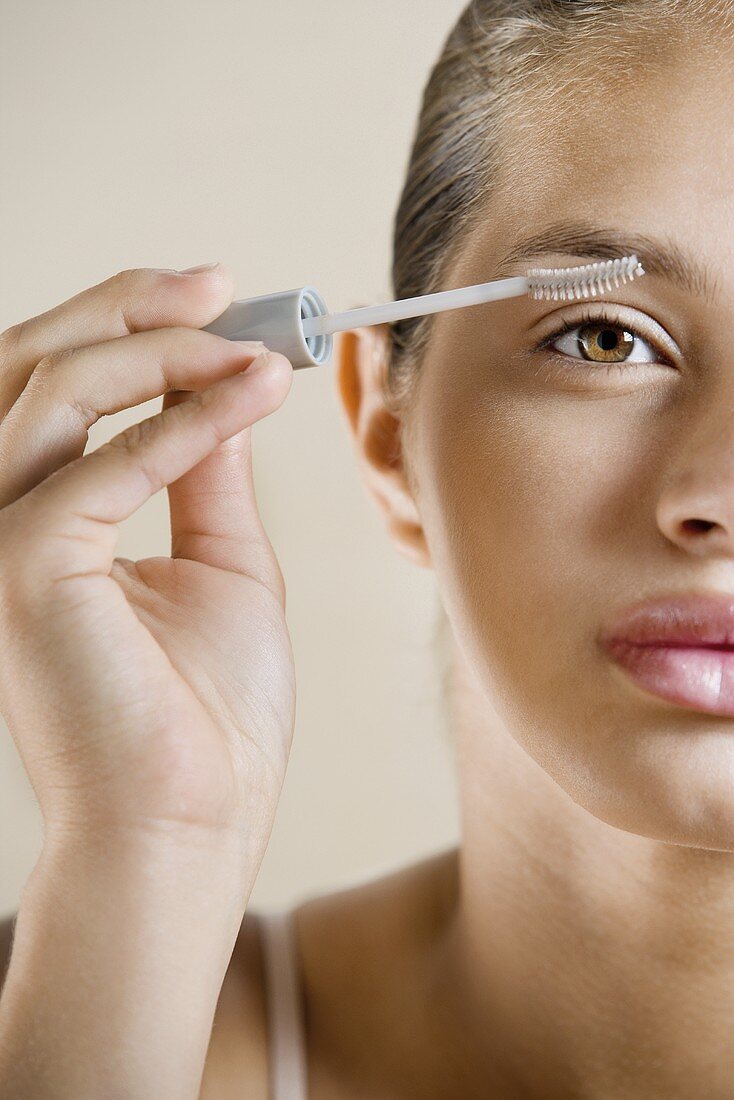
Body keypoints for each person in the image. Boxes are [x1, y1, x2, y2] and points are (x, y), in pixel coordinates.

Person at [2, 0, 733, 1095]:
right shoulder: (69, 1006)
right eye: (604, 337)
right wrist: (142, 855)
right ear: (387, 436)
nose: (717, 494)